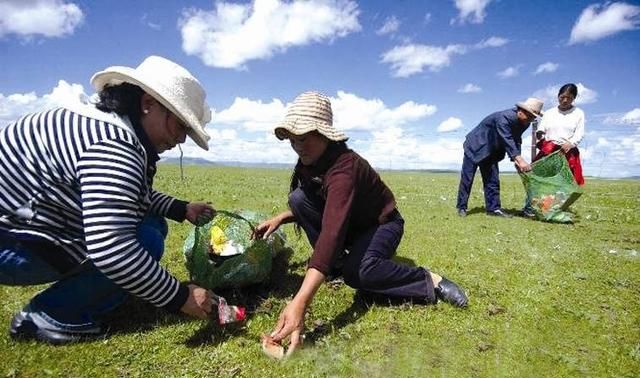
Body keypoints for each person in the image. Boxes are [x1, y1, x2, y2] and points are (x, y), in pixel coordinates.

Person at [0, 56, 216, 344]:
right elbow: (113, 249)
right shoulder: (114, 145)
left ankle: (90, 295)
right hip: (11, 246)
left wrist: (180, 208)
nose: (180, 140)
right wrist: (180, 297)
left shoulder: (101, 123)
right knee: (145, 241)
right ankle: (50, 315)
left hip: (17, 230)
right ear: (148, 104)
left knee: (151, 223)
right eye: (179, 126)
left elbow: (124, 196)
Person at [253, 91, 468, 356]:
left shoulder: (344, 168)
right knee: (298, 199)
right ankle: (335, 266)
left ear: (324, 135)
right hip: (351, 226)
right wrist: (281, 218)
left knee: (359, 273)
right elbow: (321, 206)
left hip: (381, 225)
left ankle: (428, 280)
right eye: (293, 140)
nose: (298, 146)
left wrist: (300, 302)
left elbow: (331, 233)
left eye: (305, 138)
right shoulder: (311, 161)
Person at [455, 98, 544, 217]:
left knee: (492, 180)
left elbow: (516, 140)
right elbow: (506, 138)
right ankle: (462, 207)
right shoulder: (504, 118)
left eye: (534, 117)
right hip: (475, 146)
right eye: (530, 116)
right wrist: (520, 160)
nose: (531, 120)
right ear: (521, 111)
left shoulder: (525, 123)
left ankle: (493, 209)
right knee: (467, 178)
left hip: (492, 151)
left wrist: (516, 160)